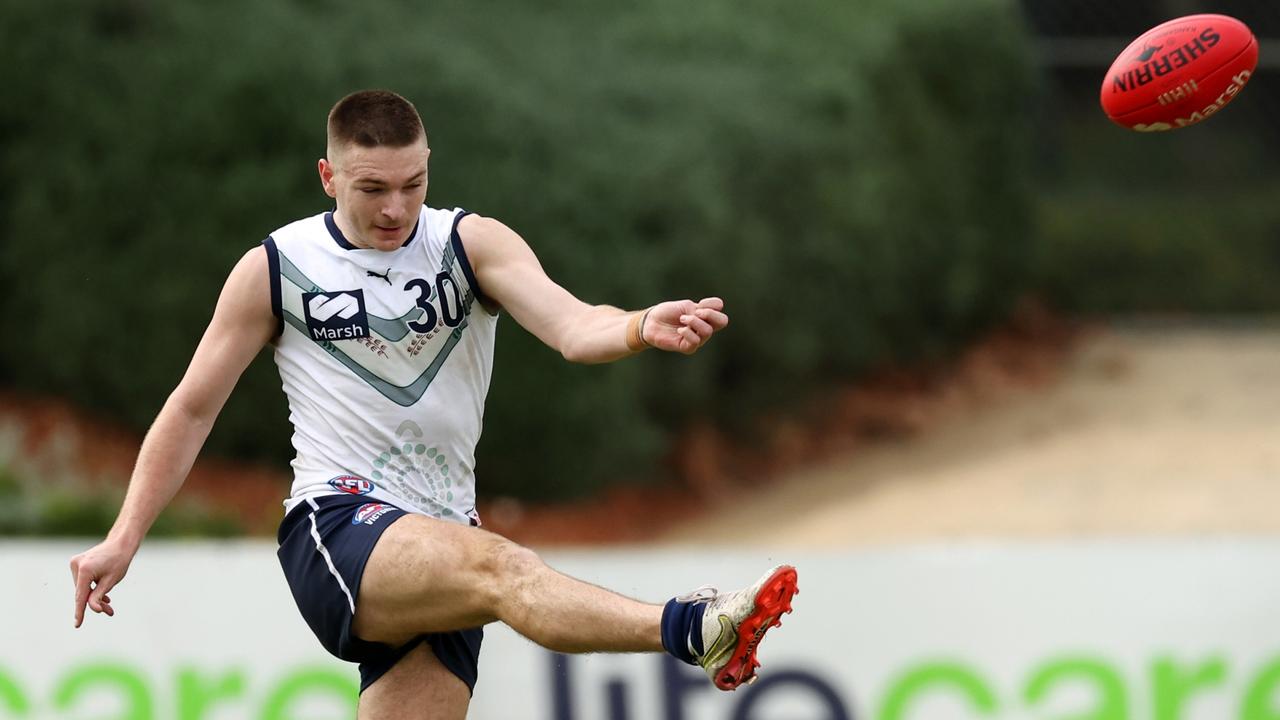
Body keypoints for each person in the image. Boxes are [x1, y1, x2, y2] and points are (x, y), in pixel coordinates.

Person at [68, 89, 797, 719]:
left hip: (440, 536)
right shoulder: (276, 268)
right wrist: (124, 536)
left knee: (486, 569)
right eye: (372, 188)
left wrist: (640, 326)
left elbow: (574, 326)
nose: (396, 209)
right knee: (505, 571)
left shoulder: (469, 243)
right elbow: (192, 408)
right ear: (327, 176)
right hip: (340, 525)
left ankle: (697, 626)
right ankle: (697, 627)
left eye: (412, 184)